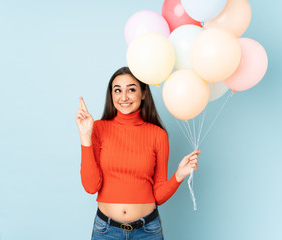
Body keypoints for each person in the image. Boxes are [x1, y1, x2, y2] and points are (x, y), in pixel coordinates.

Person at [76, 66, 200, 239]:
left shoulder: (158, 135)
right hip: (106, 231)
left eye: (131, 90)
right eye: (117, 90)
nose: (124, 97)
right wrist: (85, 137)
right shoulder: (98, 128)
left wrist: (179, 174)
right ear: (111, 95)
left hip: (147, 231)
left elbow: (158, 196)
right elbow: (91, 187)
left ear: (143, 94)